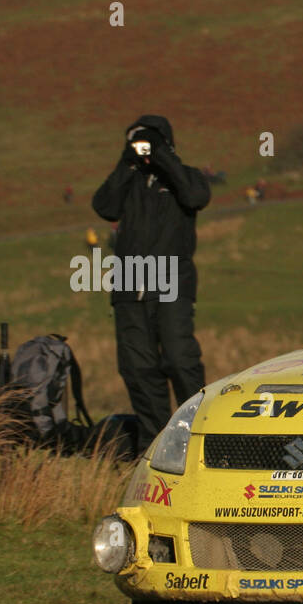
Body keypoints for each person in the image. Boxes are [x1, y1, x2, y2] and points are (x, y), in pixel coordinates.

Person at [91, 115, 210, 454]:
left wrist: (163, 157)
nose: (143, 148)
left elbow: (195, 196)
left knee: (179, 357)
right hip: (129, 281)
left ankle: (197, 439)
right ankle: (153, 449)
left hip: (171, 276)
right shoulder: (127, 179)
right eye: (136, 142)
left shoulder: (183, 177)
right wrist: (126, 162)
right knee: (137, 366)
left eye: (149, 141)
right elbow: (104, 205)